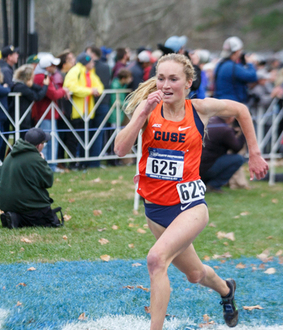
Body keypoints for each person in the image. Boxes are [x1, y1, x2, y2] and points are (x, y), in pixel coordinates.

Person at [114, 53, 268, 329]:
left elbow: (241, 110)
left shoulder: (199, 109)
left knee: (156, 260)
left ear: (188, 83)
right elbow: (120, 149)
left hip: (189, 206)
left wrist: (254, 153)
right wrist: (140, 116)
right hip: (156, 208)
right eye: (161, 78)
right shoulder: (147, 109)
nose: (165, 85)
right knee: (195, 274)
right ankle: (226, 290)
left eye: (173, 79)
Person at [0, 128, 61, 228]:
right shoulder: (35, 158)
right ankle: (17, 219)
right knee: (50, 220)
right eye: (44, 143)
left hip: (6, 205)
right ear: (39, 145)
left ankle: (14, 217)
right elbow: (48, 181)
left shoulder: (10, 154)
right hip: (29, 206)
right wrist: (42, 161)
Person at [63, 52, 104, 167]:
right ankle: (72, 163)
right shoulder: (75, 71)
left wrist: (96, 91)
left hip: (87, 111)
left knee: (84, 139)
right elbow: (71, 87)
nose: (93, 63)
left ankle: (81, 162)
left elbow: (99, 86)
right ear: (86, 63)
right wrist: (91, 91)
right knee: (74, 139)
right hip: (76, 111)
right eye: (91, 61)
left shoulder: (90, 73)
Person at [32, 53, 68, 171]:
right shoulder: (42, 77)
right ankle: (49, 166)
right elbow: (54, 94)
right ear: (47, 67)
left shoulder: (43, 75)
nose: (55, 67)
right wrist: (64, 90)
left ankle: (50, 165)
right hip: (45, 113)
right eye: (53, 65)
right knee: (46, 141)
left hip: (47, 113)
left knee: (49, 140)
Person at [200, 116, 245, 193]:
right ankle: (213, 185)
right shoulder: (225, 129)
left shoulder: (210, 120)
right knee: (238, 159)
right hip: (205, 169)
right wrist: (245, 132)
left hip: (194, 167)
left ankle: (204, 183)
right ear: (231, 117)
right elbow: (237, 148)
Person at [213, 36, 258, 104]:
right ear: (237, 52)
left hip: (220, 101)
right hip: (233, 103)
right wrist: (250, 63)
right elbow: (252, 77)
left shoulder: (219, 65)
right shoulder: (233, 67)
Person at [11, 64, 48, 130]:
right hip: (21, 117)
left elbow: (39, 89)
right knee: (22, 136)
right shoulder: (21, 87)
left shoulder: (21, 85)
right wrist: (45, 85)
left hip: (23, 116)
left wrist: (32, 85)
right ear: (29, 76)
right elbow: (37, 97)